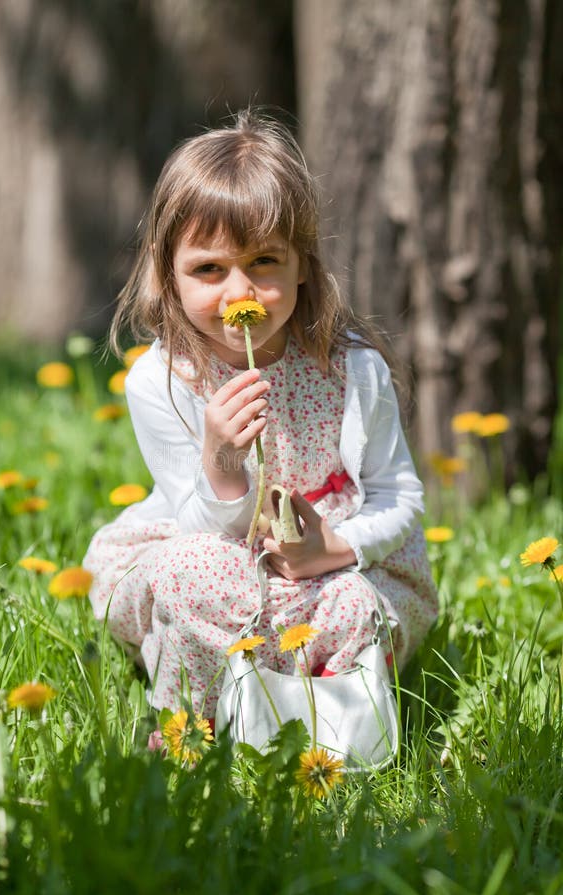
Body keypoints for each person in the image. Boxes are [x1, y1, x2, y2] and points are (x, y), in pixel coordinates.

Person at [83, 109, 438, 718]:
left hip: (325, 563)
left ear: (303, 264)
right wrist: (222, 461)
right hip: (218, 548)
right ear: (169, 276)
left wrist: (335, 548)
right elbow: (195, 523)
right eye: (209, 269)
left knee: (352, 605)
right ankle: (194, 730)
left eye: (264, 262)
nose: (239, 292)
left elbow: (398, 495)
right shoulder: (162, 380)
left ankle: (321, 726)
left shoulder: (351, 369)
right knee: (192, 571)